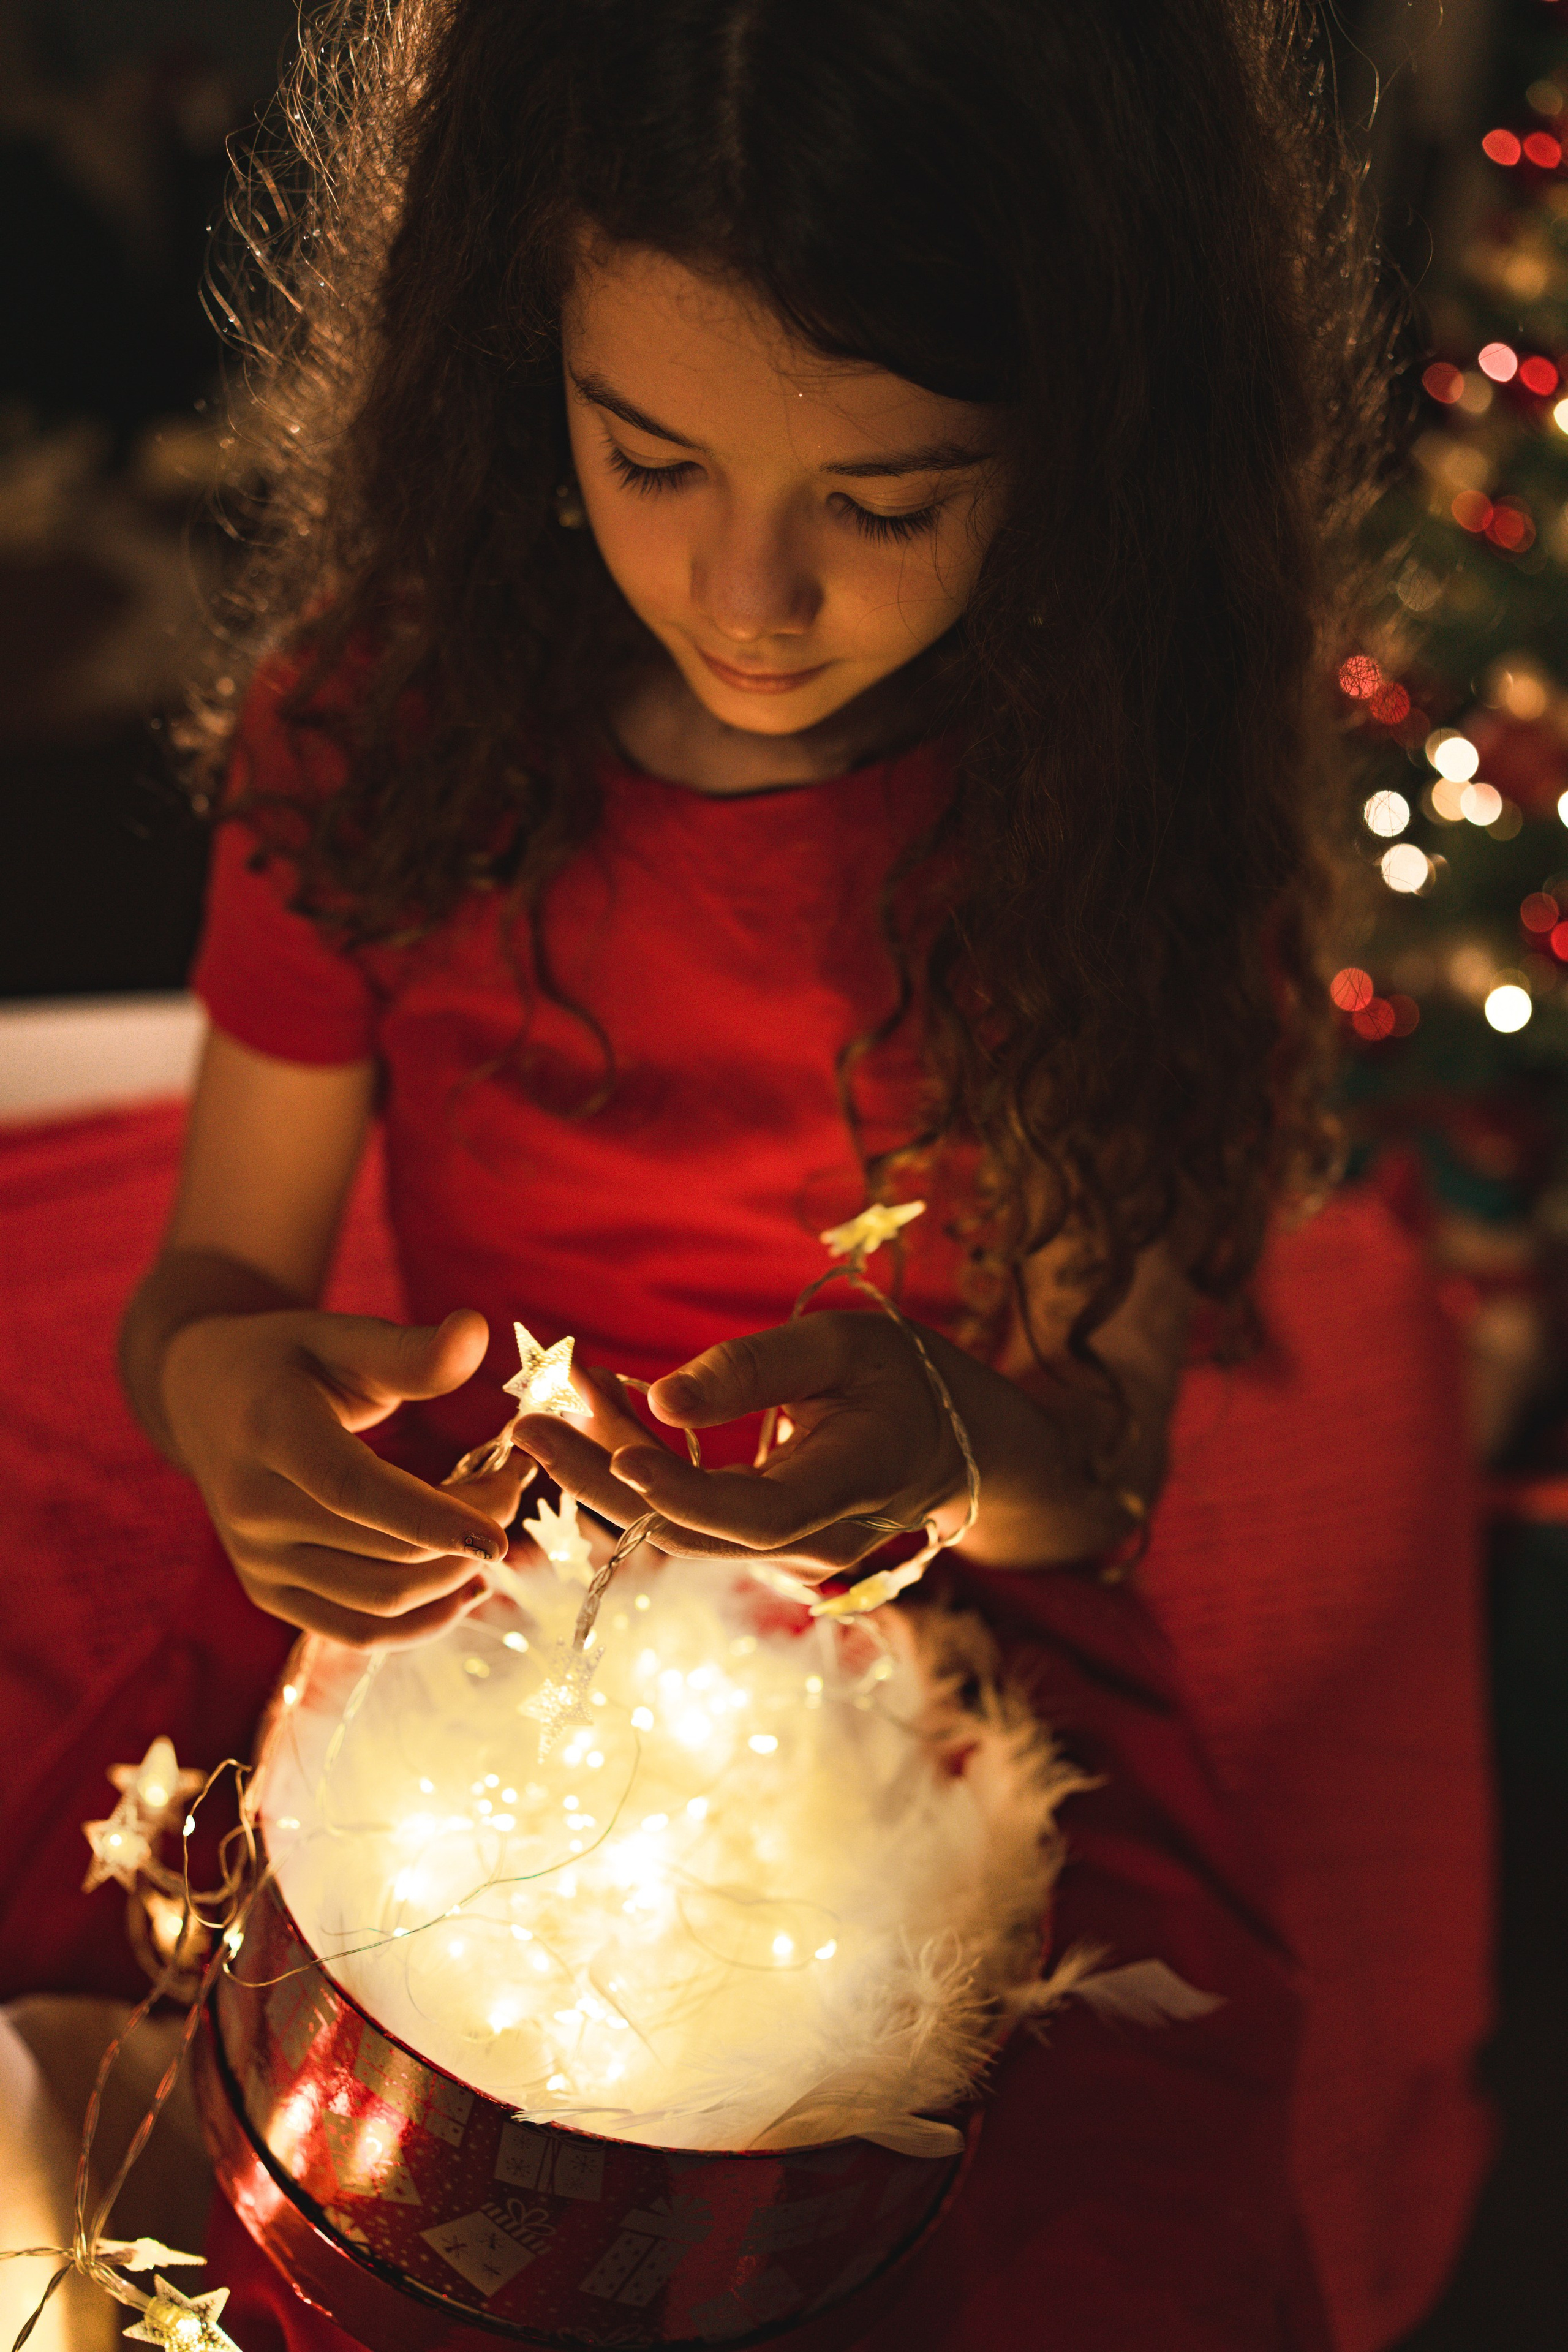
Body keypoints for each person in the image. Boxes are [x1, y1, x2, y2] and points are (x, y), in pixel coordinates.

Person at [92, 1, 1481, 2345]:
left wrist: (948, 1456)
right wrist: (231, 1399)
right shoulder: (392, 725)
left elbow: (1094, 1482)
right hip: (465, 1607)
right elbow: (208, 1281)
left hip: (950, 1667)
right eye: (650, 460)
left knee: (1070, 2250)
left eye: (887, 501)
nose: (752, 594)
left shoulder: (1112, 815)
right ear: (516, 353)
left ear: (1078, 439)